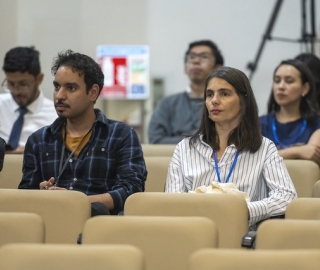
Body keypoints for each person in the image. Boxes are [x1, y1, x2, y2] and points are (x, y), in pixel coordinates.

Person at [18, 50, 147, 216]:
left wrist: (77, 201)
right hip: (52, 222)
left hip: (102, 226)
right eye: (57, 87)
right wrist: (40, 193)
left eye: (70, 88)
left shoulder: (120, 135)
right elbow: (23, 197)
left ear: (93, 92)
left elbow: (131, 191)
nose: (59, 96)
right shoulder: (39, 140)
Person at [165, 66, 297, 229]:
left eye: (224, 94)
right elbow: (172, 201)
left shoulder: (264, 148)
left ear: (243, 101)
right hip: (194, 234)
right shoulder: (184, 148)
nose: (214, 100)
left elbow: (287, 197)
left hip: (244, 238)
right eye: (210, 94)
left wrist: (241, 210)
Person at [148, 40, 224, 144]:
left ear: (218, 68)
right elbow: (155, 140)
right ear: (185, 68)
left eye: (204, 57)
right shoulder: (167, 103)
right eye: (191, 57)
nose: (196, 61)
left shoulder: (225, 103)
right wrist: (200, 141)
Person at [259, 59, 320, 166]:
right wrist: (298, 151)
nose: (281, 86)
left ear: (305, 88)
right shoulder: (259, 123)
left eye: (289, 81)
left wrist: (271, 155)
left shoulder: (316, 124)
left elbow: (312, 154)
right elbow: (251, 160)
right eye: (277, 81)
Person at [0, 46, 57, 154]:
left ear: (39, 79)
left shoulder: (56, 117)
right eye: (11, 84)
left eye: (23, 84)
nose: (16, 91)